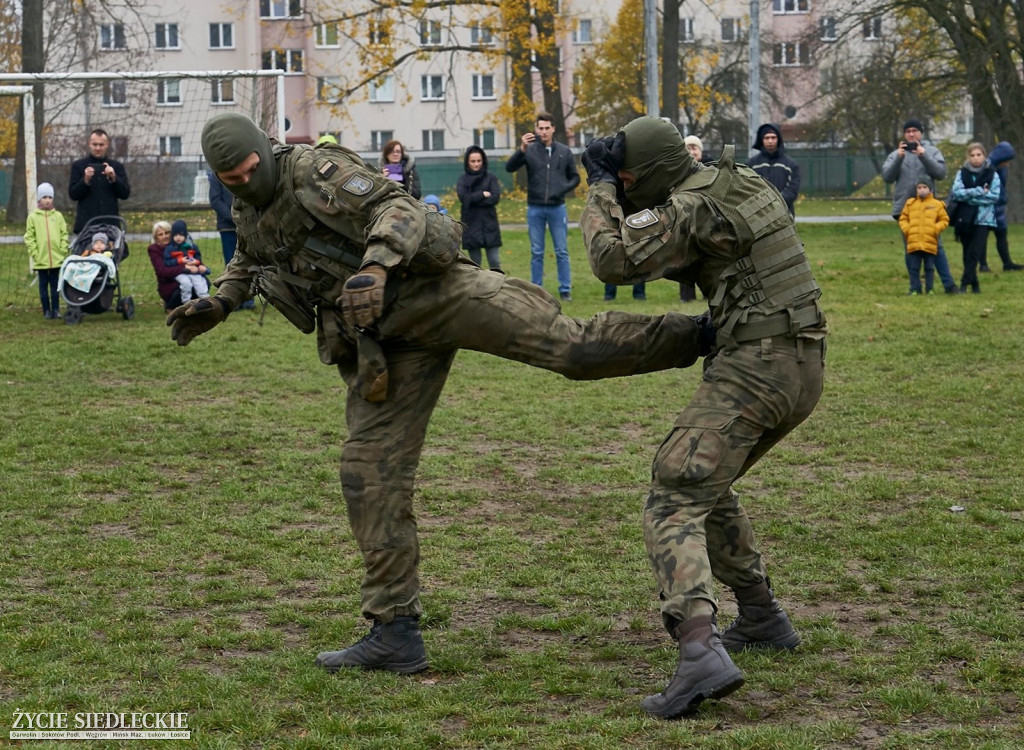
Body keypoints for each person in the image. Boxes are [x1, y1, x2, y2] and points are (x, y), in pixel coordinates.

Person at [170, 112, 716, 676]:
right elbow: (253, 258)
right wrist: (221, 302)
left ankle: (700, 333)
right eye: (230, 178)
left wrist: (377, 264)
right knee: (369, 474)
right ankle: (394, 630)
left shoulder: (316, 169)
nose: (242, 181)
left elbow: (399, 207)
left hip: (439, 292)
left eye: (249, 170)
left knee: (570, 348)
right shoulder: (248, 208)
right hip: (384, 341)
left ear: (263, 151)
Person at [580, 116, 827, 720]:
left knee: (674, 493)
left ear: (650, 176)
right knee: (707, 483)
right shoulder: (739, 182)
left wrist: (601, 188)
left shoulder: (689, 207)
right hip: (802, 362)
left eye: (632, 176)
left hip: (758, 366)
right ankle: (763, 616)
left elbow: (611, 259)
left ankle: (699, 653)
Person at [506, 113, 580, 301]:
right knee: (537, 251)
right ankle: (536, 290)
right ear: (536, 129)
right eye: (541, 128)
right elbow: (510, 167)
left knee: (561, 251)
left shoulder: (564, 151)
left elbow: (575, 177)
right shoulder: (530, 150)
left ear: (553, 128)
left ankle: (565, 290)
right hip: (535, 208)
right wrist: (521, 149)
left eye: (547, 128)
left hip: (557, 208)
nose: (544, 131)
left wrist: (562, 188)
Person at [882, 119, 962, 294]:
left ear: (921, 133)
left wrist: (923, 155)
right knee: (911, 249)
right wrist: (898, 158)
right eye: (908, 131)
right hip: (905, 209)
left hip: (929, 210)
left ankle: (949, 285)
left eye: (915, 130)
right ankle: (915, 287)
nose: (911, 134)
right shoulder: (896, 154)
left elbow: (940, 173)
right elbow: (887, 177)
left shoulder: (931, 151)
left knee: (936, 247)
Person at [949, 143, 1001, 294]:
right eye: (972, 155)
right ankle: (975, 285)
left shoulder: (992, 173)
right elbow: (957, 193)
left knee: (975, 251)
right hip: (964, 217)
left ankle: (964, 284)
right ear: (968, 157)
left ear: (984, 155)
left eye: (979, 155)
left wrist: (970, 196)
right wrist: (979, 191)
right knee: (967, 251)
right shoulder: (962, 173)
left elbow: (993, 196)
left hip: (983, 219)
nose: (976, 158)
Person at [67, 128, 131, 235]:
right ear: (89, 144)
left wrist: (114, 178)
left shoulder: (116, 166)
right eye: (95, 144)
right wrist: (85, 180)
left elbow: (125, 194)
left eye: (101, 145)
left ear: (107, 145)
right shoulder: (78, 166)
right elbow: (73, 194)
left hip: (110, 225)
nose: (98, 148)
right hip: (86, 226)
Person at [209, 171, 256, 310]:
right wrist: (233, 217)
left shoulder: (245, 171)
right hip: (227, 227)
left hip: (246, 225)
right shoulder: (216, 176)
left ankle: (248, 300)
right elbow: (215, 200)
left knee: (249, 260)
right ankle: (232, 300)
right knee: (231, 262)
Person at [24, 182, 69, 319]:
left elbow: (64, 234)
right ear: (39, 199)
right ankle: (46, 311)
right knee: (43, 287)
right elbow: (29, 237)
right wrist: (35, 254)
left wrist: (62, 250)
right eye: (44, 197)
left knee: (55, 286)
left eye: (50, 197)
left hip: (56, 259)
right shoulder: (33, 217)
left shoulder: (58, 216)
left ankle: (56, 310)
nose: (47, 200)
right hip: (41, 259)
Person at [456, 145, 503, 271]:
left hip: (489, 224)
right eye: (473, 161)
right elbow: (464, 198)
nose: (476, 164)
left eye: (479, 161)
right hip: (471, 225)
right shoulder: (463, 179)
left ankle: (499, 288)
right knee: (474, 264)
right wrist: (482, 194)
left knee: (495, 261)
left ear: (483, 161)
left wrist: (473, 199)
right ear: (467, 162)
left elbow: (495, 197)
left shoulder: (491, 177)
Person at [898, 177, 949, 295]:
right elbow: (903, 218)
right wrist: (908, 229)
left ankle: (930, 288)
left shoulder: (937, 205)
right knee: (914, 267)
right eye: (919, 188)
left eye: (924, 187)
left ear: (930, 189)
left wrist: (935, 229)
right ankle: (915, 288)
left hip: (929, 242)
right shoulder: (910, 204)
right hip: (914, 242)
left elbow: (944, 219)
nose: (922, 190)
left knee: (929, 268)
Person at [982, 142, 1023, 272]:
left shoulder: (1001, 168)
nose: (1007, 164)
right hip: (987, 206)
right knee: (983, 236)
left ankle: (1007, 263)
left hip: (998, 205)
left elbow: (1002, 186)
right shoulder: (987, 168)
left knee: (1001, 235)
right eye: (1006, 161)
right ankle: (983, 265)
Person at [747, 124, 800, 216]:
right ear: (761, 140)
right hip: (759, 215)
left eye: (773, 137)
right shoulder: (751, 164)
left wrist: (775, 202)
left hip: (784, 214)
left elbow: (792, 191)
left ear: (778, 139)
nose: (770, 141)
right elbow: (747, 188)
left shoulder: (791, 164)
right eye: (766, 138)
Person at [148, 221, 192, 310]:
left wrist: (200, 267)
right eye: (160, 234)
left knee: (203, 282)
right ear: (156, 238)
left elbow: (193, 258)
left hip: (188, 277)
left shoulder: (181, 245)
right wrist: (184, 268)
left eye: (167, 233)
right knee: (183, 287)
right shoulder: (154, 250)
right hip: (169, 284)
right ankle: (171, 306)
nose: (164, 236)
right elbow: (162, 271)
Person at [164, 219, 210, 302]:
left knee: (200, 282)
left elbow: (198, 257)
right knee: (186, 284)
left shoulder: (192, 246)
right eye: (176, 235)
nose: (178, 237)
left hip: (193, 271)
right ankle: (186, 302)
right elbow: (167, 262)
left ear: (185, 235)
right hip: (181, 272)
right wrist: (179, 261)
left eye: (181, 235)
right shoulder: (170, 248)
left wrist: (196, 262)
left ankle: (205, 300)